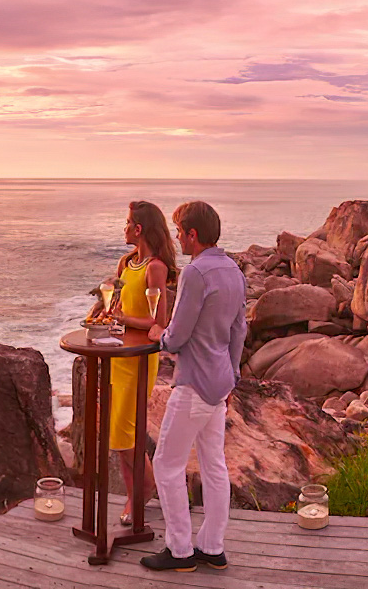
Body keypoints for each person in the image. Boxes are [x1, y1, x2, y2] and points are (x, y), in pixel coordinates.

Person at [141, 200, 246, 573]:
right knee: (214, 465)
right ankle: (212, 547)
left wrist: (160, 334)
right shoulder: (233, 270)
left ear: (193, 234)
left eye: (179, 232)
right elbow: (239, 330)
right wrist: (232, 376)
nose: (177, 238)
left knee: (166, 466)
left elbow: (178, 335)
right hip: (219, 383)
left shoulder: (196, 273)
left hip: (194, 384)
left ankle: (180, 550)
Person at [102, 201, 175, 525]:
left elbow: (159, 320)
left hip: (139, 359)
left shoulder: (155, 268)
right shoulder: (125, 263)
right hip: (118, 353)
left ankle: (145, 490)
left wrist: (122, 317)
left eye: (128, 222)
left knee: (126, 431)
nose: (124, 228)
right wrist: (107, 314)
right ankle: (135, 496)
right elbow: (117, 302)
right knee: (117, 434)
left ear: (139, 228)